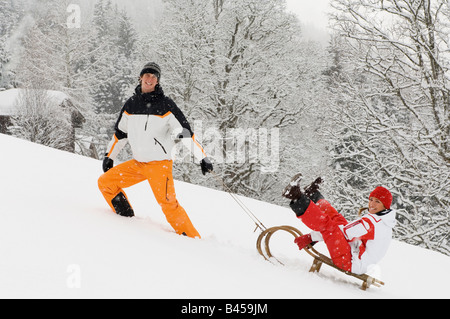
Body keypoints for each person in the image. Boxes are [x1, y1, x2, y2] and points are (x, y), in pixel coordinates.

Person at [98, 62, 213, 239]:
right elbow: (121, 134)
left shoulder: (166, 105)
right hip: (137, 164)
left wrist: (202, 157)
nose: (150, 79)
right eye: (147, 75)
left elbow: (185, 133)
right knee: (106, 183)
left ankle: (192, 239)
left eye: (154, 76)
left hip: (159, 165)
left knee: (168, 204)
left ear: (157, 81)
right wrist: (109, 156)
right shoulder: (131, 104)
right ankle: (125, 218)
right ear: (140, 77)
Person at [283, 175, 396, 275]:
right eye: (371, 199)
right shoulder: (384, 220)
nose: (372, 204)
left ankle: (297, 198)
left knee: (329, 225)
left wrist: (311, 237)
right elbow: (345, 230)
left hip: (350, 262)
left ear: (385, 206)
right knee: (338, 220)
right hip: (357, 256)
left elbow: (340, 232)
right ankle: (313, 196)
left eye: (377, 201)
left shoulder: (372, 222)